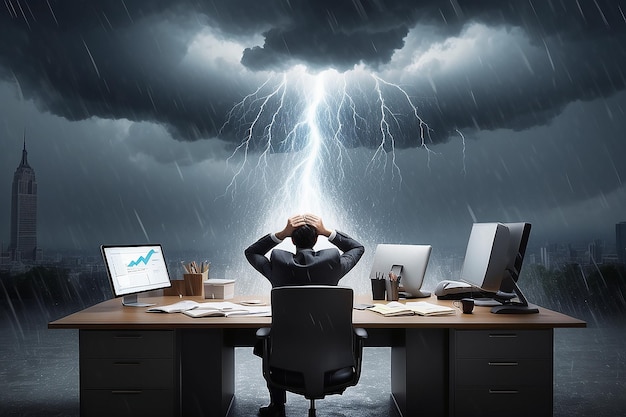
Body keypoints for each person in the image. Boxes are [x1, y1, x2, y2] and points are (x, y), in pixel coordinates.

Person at [244, 213, 365, 417]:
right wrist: (328, 232)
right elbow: (357, 248)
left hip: (284, 364)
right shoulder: (332, 263)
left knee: (272, 339)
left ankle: (277, 404)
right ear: (317, 239)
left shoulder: (278, 265)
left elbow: (251, 252)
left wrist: (280, 234)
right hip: (332, 362)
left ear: (291, 240)